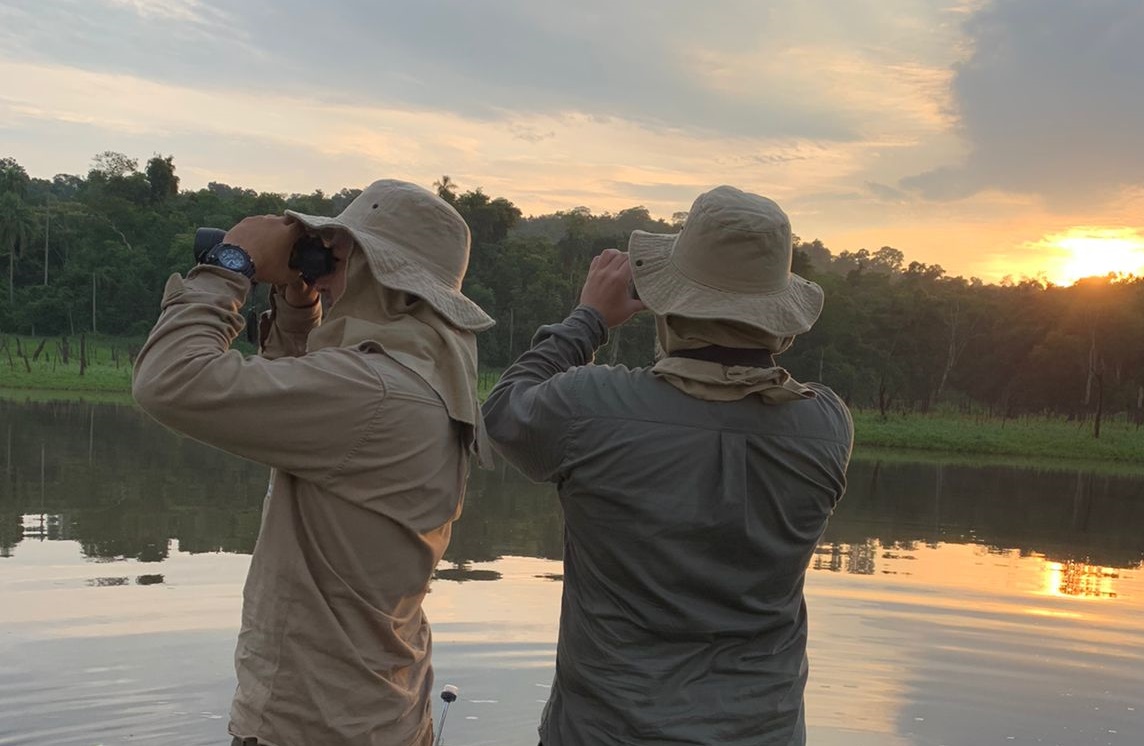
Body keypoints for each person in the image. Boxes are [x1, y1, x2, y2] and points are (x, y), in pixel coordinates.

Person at [483, 185, 853, 746]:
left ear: (666, 307)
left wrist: (588, 320)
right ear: (779, 323)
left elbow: (504, 411)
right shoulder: (826, 425)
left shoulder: (590, 408)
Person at [132, 180, 494, 746]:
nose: (318, 270)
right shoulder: (421, 377)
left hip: (313, 723)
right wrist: (300, 306)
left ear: (384, 276)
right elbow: (308, 393)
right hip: (375, 709)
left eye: (337, 257)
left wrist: (231, 265)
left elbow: (169, 381)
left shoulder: (370, 392)